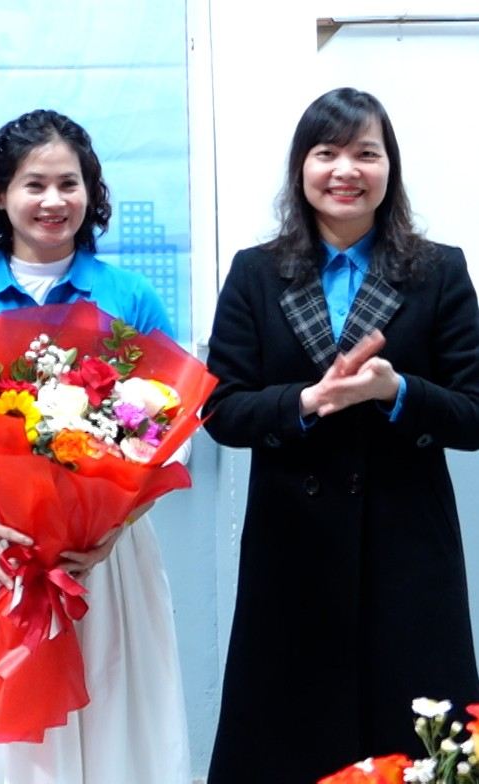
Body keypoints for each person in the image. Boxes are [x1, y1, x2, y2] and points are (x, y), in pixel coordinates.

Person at [0, 109, 191, 784]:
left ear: (90, 192)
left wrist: (115, 524)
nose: (53, 201)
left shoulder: (128, 295)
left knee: (112, 707)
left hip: (100, 550)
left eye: (69, 183)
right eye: (34, 184)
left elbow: (169, 428)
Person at [205, 87, 479, 782]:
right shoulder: (256, 272)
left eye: (366, 153)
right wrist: (304, 401)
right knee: (288, 742)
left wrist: (397, 392)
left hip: (406, 548)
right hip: (291, 549)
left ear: (390, 168)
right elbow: (220, 410)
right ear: (301, 167)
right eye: (326, 153)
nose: (345, 170)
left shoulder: (438, 270)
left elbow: (475, 412)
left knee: (416, 743)